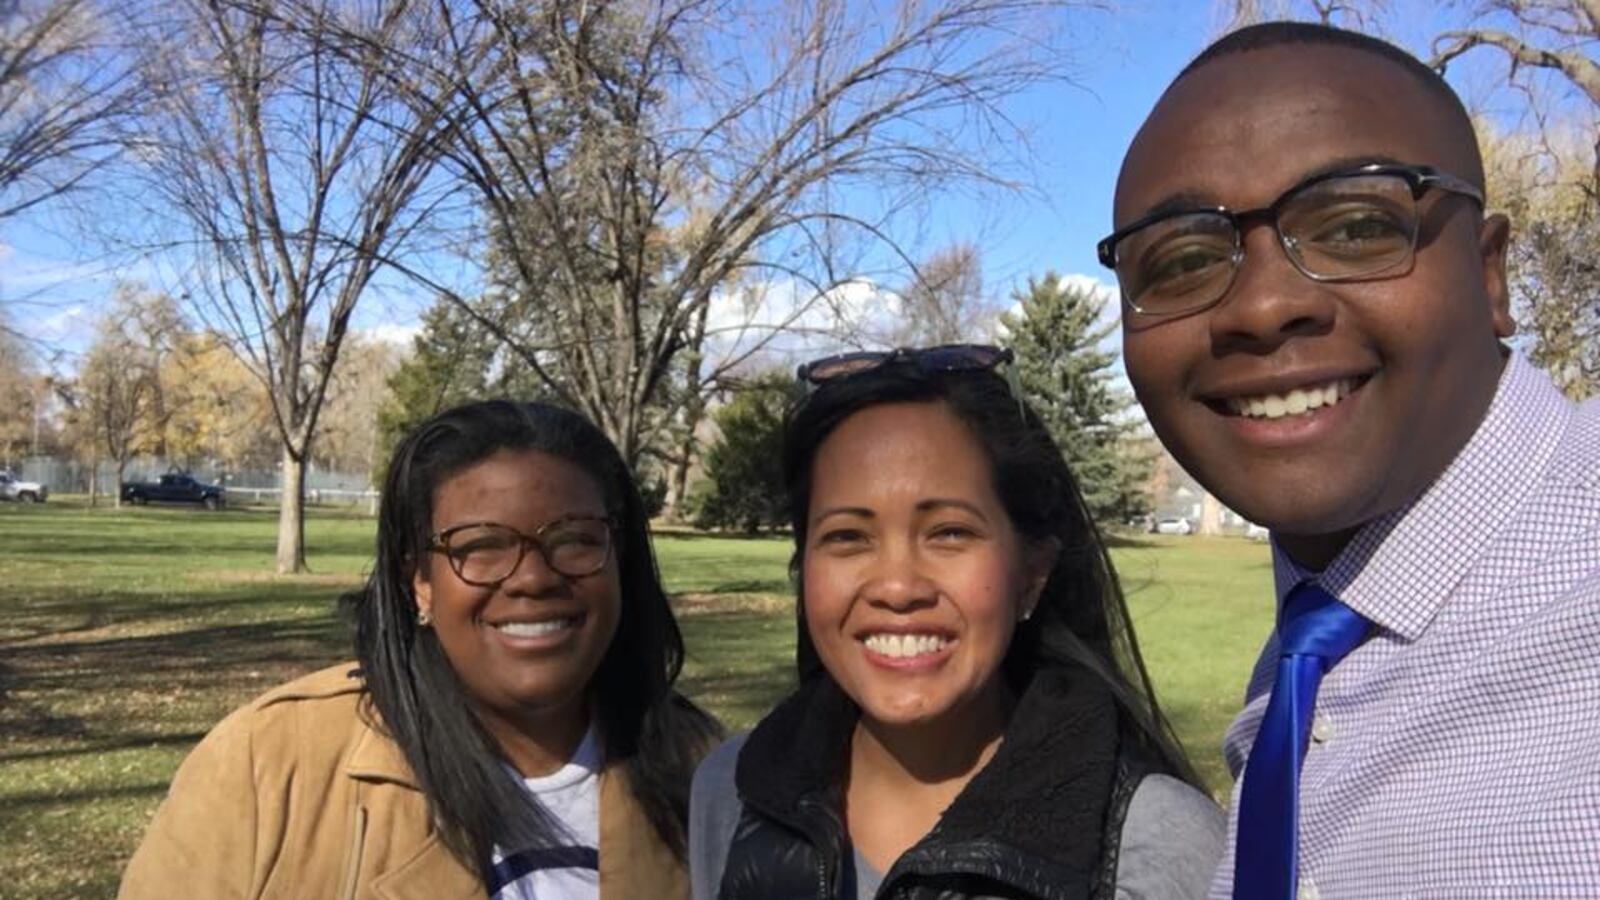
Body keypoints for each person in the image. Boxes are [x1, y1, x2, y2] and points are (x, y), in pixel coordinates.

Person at [1101, 21, 1600, 899]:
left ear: (1491, 276)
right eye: (1180, 260)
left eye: (1357, 225)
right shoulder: (1314, 647)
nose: (1259, 306)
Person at [119, 400, 720, 899]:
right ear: (420, 584)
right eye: (480, 545)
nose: (533, 578)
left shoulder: (713, 776)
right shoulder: (267, 766)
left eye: (576, 540)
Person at [689, 346, 1225, 900]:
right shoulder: (731, 792)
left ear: (1032, 574)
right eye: (848, 536)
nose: (897, 588)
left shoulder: (1159, 843)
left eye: (949, 532)